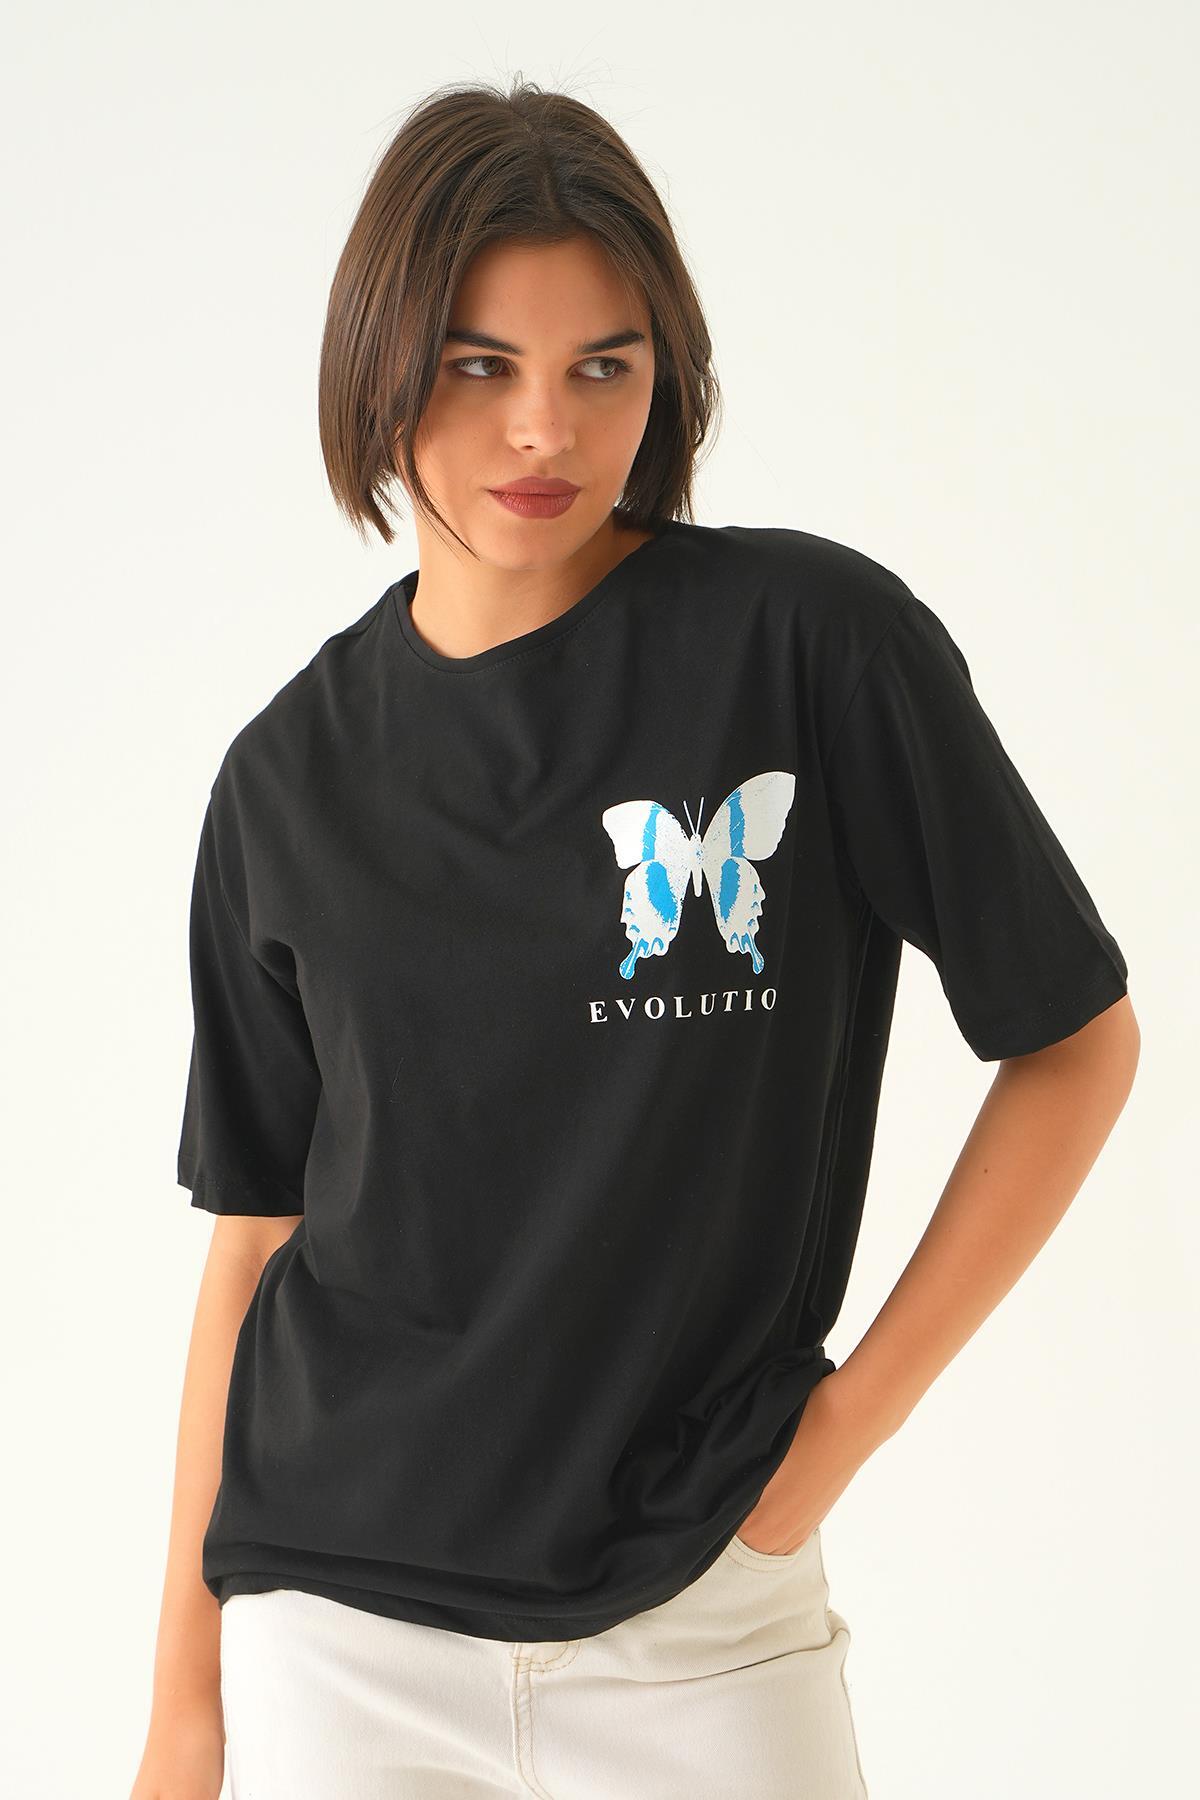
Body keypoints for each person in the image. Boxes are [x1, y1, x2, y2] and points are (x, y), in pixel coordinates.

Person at [131, 77, 1140, 1800]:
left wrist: (836, 1439)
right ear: (379, 367)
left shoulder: (809, 649)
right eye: (480, 365)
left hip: (705, 1620)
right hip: (339, 1630)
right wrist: (186, 1702)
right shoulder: (285, 778)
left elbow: (1073, 1041)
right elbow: (256, 1243)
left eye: (603, 366)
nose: (546, 430)